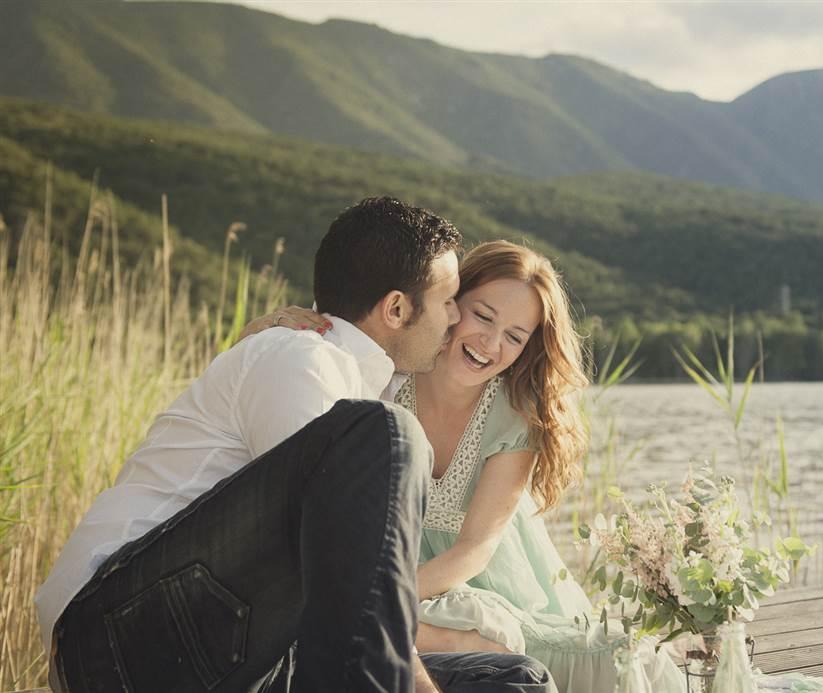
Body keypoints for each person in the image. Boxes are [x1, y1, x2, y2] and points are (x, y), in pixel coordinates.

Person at [35, 198, 556, 693]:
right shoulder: (300, 359)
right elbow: (333, 560)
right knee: (390, 434)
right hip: (120, 627)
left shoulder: (356, 379)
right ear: (397, 308)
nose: (453, 319)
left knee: (513, 680)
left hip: (229, 641)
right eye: (449, 302)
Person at [254, 241, 686, 693]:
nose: (491, 344)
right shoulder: (389, 376)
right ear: (451, 301)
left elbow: (475, 549)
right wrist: (269, 327)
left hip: (482, 586)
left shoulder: (516, 413)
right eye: (483, 316)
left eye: (515, 336)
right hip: (391, 578)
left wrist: (380, 601)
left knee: (626, 660)